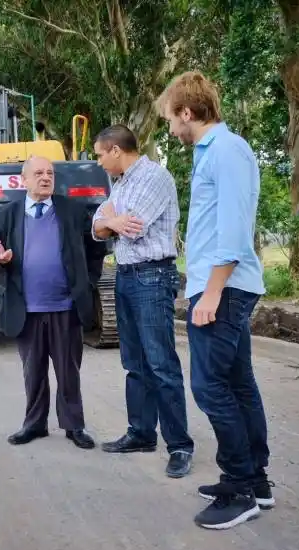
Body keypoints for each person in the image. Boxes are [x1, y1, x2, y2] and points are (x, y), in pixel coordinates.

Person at [157, 70, 269, 530]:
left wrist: (214, 290)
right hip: (220, 283)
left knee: (208, 387)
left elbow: (235, 228)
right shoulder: (213, 153)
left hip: (223, 286)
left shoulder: (225, 150)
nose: (169, 128)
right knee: (238, 383)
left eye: (170, 119)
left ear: (187, 112)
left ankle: (239, 486)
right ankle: (256, 482)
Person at [0, 155, 108, 449]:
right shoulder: (5, 215)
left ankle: (74, 426)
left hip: (66, 306)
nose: (46, 177)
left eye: (50, 173)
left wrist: (88, 282)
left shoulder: (72, 210)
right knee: (33, 371)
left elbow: (96, 247)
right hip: (26, 308)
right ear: (23, 180)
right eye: (38, 173)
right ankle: (35, 424)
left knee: (68, 371)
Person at [91, 124, 194, 479]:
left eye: (100, 153)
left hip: (152, 276)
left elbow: (132, 226)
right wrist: (110, 220)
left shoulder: (154, 177)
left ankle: (179, 445)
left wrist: (112, 220)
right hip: (125, 276)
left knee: (160, 363)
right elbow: (96, 225)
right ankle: (141, 433)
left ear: (116, 150)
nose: (99, 161)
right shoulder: (120, 184)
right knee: (134, 362)